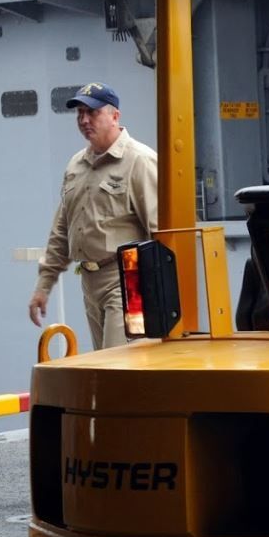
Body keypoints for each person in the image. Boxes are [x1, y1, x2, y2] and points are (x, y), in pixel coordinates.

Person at [29, 83, 158, 349]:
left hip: (127, 280)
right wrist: (43, 285)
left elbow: (162, 231)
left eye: (92, 112)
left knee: (118, 367)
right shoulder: (77, 165)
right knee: (102, 365)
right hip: (90, 283)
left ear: (115, 116)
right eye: (80, 113)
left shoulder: (139, 161)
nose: (84, 120)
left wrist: (159, 295)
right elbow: (63, 229)